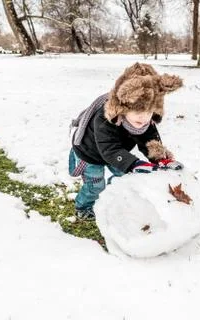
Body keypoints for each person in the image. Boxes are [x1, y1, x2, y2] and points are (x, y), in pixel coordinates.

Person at [69, 62, 184, 220]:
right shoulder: (104, 118)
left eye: (149, 111)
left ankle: (111, 197)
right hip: (90, 154)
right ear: (124, 107)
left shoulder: (145, 121)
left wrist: (161, 159)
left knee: (124, 177)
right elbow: (109, 149)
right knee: (95, 186)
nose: (143, 117)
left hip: (118, 153)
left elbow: (148, 140)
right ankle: (83, 206)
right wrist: (134, 164)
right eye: (138, 111)